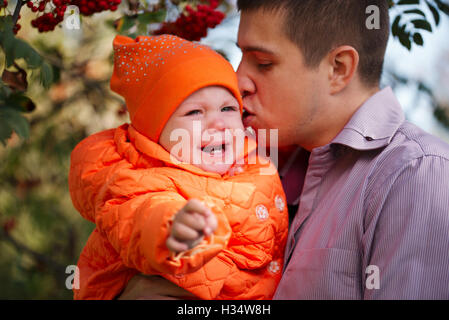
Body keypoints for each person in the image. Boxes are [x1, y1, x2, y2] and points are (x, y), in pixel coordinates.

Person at [119, 0, 449, 300]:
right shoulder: (251, 163)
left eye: (263, 63)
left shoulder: (415, 174)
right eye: (240, 57)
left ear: (338, 68)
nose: (238, 81)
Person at [68, 34, 288, 300]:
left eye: (228, 108)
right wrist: (173, 230)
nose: (219, 123)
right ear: (154, 132)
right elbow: (141, 215)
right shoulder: (136, 179)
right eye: (195, 112)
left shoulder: (253, 159)